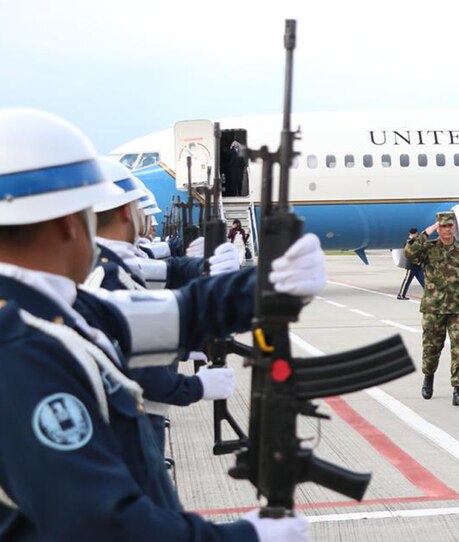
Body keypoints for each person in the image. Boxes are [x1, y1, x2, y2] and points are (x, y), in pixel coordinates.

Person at [0, 108, 307, 541]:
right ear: (70, 224)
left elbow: (177, 315)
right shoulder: (20, 349)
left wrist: (265, 286)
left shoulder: (56, 305)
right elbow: (103, 525)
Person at [88, 158, 241, 452]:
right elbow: (136, 359)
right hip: (131, 423)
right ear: (126, 213)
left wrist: (205, 266)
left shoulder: (114, 264)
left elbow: (170, 270)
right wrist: (195, 387)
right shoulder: (108, 273)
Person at [405, 211, 459, 408]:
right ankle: (428, 377)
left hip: (457, 308)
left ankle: (458, 391)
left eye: (449, 226)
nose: (447, 230)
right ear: (438, 228)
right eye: (443, 226)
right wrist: (427, 232)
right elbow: (410, 253)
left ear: (454, 227)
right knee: (431, 348)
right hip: (433, 308)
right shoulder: (428, 249)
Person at [397, 228, 425, 300]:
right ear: (414, 234)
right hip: (411, 265)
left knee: (424, 281)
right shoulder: (409, 242)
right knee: (407, 281)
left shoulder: (415, 241)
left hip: (418, 266)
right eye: (416, 234)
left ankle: (429, 296)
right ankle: (401, 295)